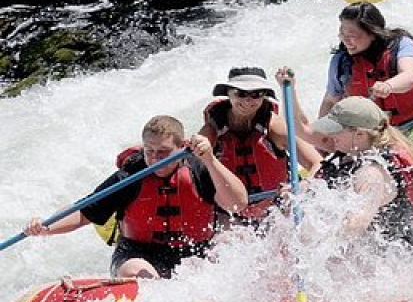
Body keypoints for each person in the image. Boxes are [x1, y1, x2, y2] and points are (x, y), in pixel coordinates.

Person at [24, 115, 248, 279]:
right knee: (138, 273)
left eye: (163, 152)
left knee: (232, 244)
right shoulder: (130, 176)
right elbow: (84, 213)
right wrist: (45, 227)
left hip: (195, 250)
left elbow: (238, 204)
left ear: (182, 147)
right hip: (140, 253)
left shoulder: (200, 169)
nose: (155, 158)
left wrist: (210, 160)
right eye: (149, 151)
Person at [199, 67, 321, 227]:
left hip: (276, 208)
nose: (248, 101)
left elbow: (317, 164)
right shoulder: (213, 128)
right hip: (229, 213)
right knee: (224, 242)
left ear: (264, 96)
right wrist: (200, 145)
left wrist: (302, 185)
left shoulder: (275, 127)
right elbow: (200, 144)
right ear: (228, 93)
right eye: (240, 93)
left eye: (256, 94)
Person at [309, 96, 413, 252]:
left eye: (336, 130)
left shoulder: (371, 173)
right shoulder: (348, 159)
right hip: (370, 260)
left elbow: (357, 224)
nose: (331, 135)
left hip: (395, 263)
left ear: (360, 134)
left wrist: (311, 245)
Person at [319, 2, 413, 136]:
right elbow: (330, 101)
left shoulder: (400, 43)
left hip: (411, 127)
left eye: (352, 35)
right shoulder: (341, 61)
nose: (345, 40)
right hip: (368, 136)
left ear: (373, 33)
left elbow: (410, 76)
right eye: (342, 33)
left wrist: (388, 86)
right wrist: (322, 137)